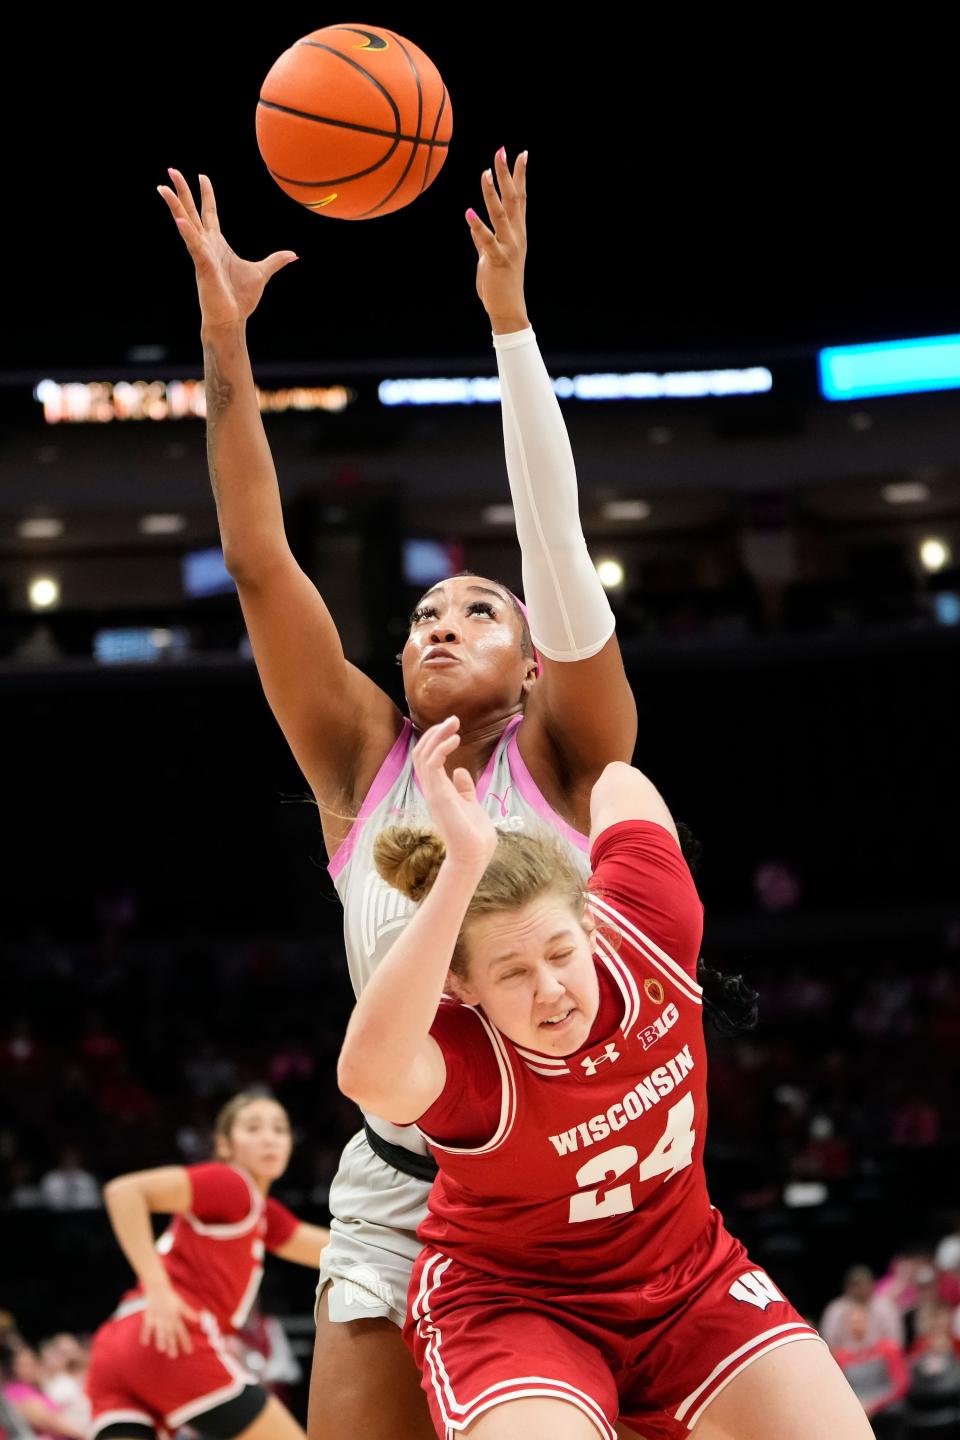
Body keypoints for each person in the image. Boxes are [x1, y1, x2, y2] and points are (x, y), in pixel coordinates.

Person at [157, 148, 641, 1439]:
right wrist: (223, 345)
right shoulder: (360, 761)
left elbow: (557, 542)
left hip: (557, 1181)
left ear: (534, 661)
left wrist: (511, 325)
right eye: (424, 610)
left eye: (477, 610)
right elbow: (259, 565)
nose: (437, 622)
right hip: (395, 1188)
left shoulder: (572, 754)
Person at [337, 717, 872, 1440]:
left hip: (689, 1282)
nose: (551, 990)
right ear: (462, 989)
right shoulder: (463, 1052)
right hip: (518, 1305)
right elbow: (364, 1074)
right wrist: (462, 866)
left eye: (560, 952)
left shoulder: (650, 925)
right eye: (513, 974)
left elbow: (615, 777)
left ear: (593, 924)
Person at [84, 1093, 329, 1440]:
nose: (269, 1138)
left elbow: (336, 1250)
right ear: (224, 1145)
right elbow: (124, 1191)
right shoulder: (231, 1185)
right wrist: (158, 1286)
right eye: (253, 1128)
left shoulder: (260, 1211)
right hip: (171, 1338)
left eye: (280, 1129)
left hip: (117, 1348)